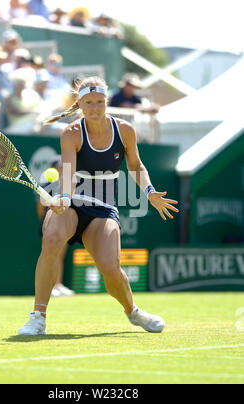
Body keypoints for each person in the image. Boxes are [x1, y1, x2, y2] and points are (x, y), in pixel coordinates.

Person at [18, 76, 179, 336]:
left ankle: (133, 312)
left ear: (106, 101)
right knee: (51, 240)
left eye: (99, 102)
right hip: (72, 203)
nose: (94, 107)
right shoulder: (71, 133)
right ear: (80, 104)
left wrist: (149, 191)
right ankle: (38, 317)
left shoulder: (125, 130)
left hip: (103, 208)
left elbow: (136, 166)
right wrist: (65, 199)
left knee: (110, 267)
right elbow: (68, 172)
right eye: (88, 102)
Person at [36, 157, 75, 297]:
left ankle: (58, 285)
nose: (62, 169)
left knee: (59, 256)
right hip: (48, 225)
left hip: (62, 225)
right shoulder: (48, 185)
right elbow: (40, 206)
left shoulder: (67, 186)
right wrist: (44, 223)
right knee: (49, 256)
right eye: (59, 166)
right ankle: (48, 287)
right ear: (54, 168)